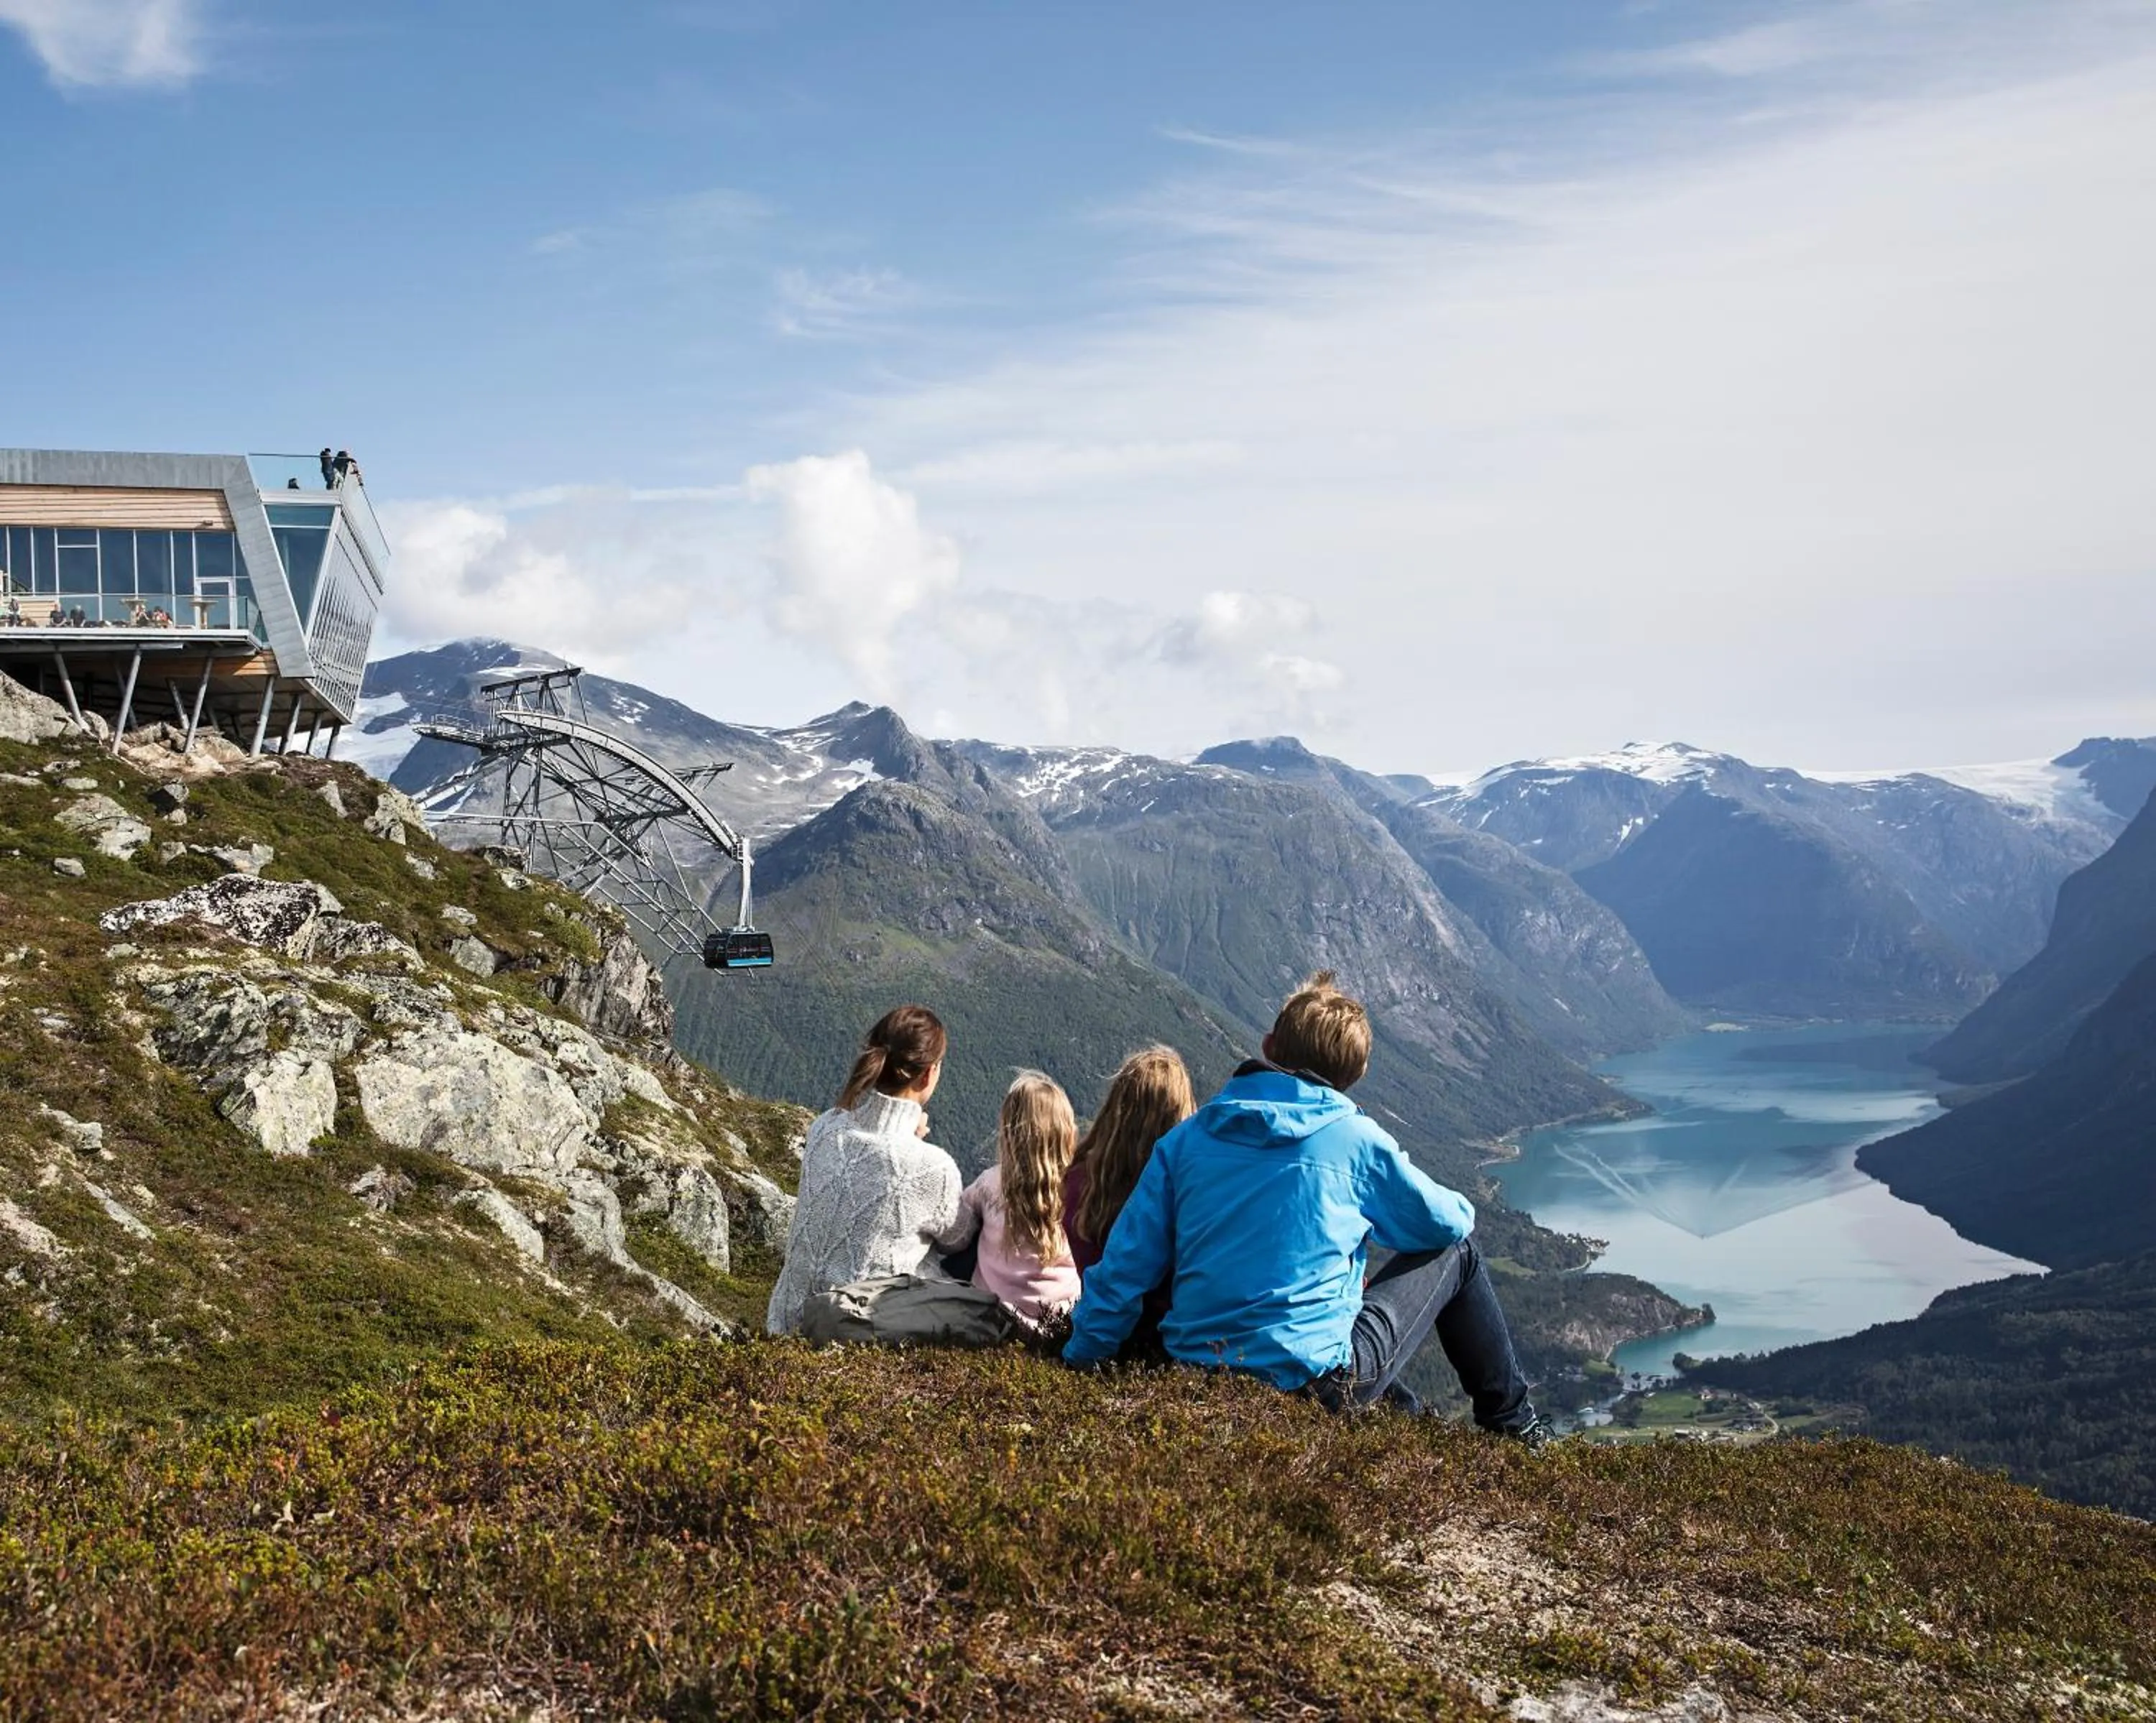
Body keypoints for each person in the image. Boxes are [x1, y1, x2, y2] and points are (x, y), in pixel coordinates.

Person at [1064, 971, 1549, 1443]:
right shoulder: (1356, 1142)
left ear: (1270, 1047)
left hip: (1197, 1373)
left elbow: (1123, 1269)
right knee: (1460, 1250)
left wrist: (1080, 1367)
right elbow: (1444, 1223)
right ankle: (1515, 1423)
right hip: (1319, 1388)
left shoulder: (1183, 1142)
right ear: (1354, 1074)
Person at [765, 1004, 962, 1335]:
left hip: (784, 1324)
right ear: (929, 1074)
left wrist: (909, 1138)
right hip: (856, 1338)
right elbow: (959, 1238)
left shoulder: (825, 1127)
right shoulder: (932, 1168)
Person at [934, 1071, 1082, 1329]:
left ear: (1008, 1134)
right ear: (1068, 1135)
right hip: (1064, 1320)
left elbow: (956, 1232)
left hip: (994, 1318)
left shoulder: (990, 1184)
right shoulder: (1080, 1192)